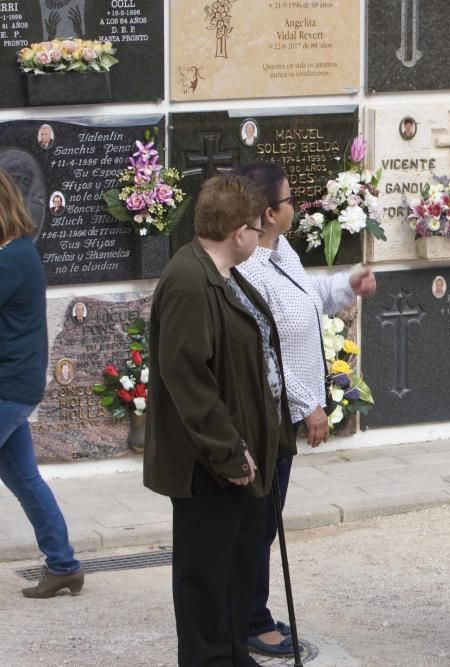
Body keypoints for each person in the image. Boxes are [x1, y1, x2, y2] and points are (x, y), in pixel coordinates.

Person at [144, 173, 295, 666]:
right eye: (255, 228)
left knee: (229, 571)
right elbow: (189, 380)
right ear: (237, 232)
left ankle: (231, 653)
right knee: (204, 578)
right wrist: (229, 453)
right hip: (206, 465)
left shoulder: (224, 273)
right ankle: (209, 659)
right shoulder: (190, 281)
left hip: (239, 454)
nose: (258, 237)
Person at [235, 163, 377, 658]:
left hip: (283, 411)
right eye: (290, 199)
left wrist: (347, 284)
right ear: (270, 213)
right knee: (257, 519)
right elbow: (265, 347)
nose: (298, 206)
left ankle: (249, 609)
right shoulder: (249, 266)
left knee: (265, 516)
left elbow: (304, 298)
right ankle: (249, 620)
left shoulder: (279, 250)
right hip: (268, 412)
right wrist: (308, 404)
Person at [0, 169, 84, 598]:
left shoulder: (12, 259)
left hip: (7, 387)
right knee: (25, 480)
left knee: (26, 481)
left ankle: (64, 564)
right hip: (15, 385)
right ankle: (64, 565)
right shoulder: (16, 253)